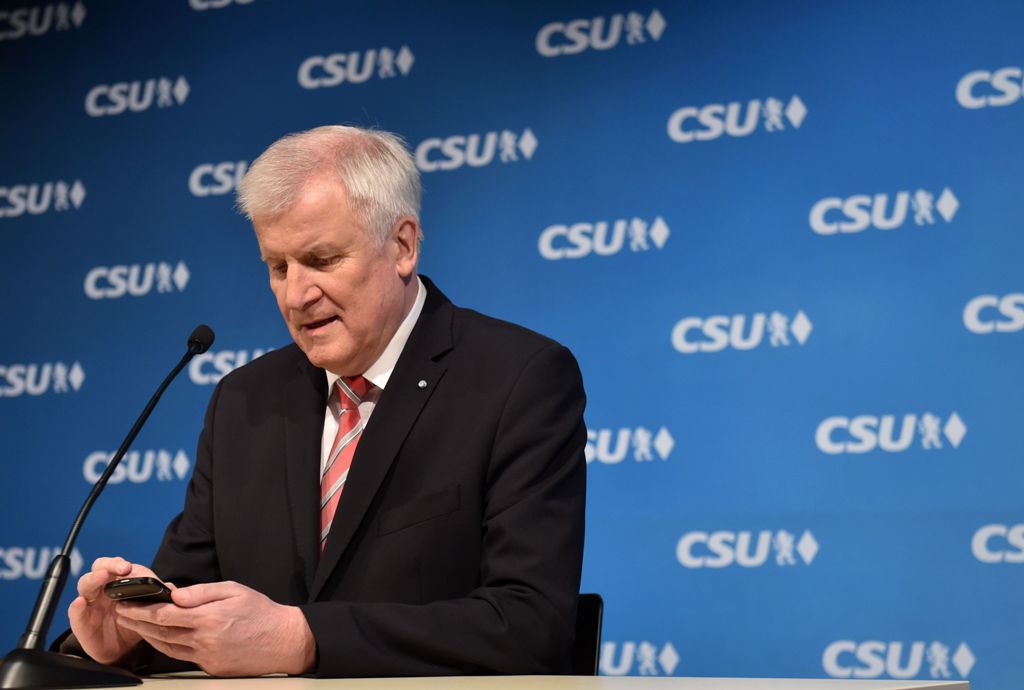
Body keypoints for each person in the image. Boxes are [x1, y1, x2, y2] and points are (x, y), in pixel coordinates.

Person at [66, 126, 587, 677]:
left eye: (322, 259)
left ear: (403, 245)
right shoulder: (244, 400)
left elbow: (530, 624)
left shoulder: (517, 379)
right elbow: (192, 596)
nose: (296, 295)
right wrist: (129, 635)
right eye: (279, 266)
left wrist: (304, 639)